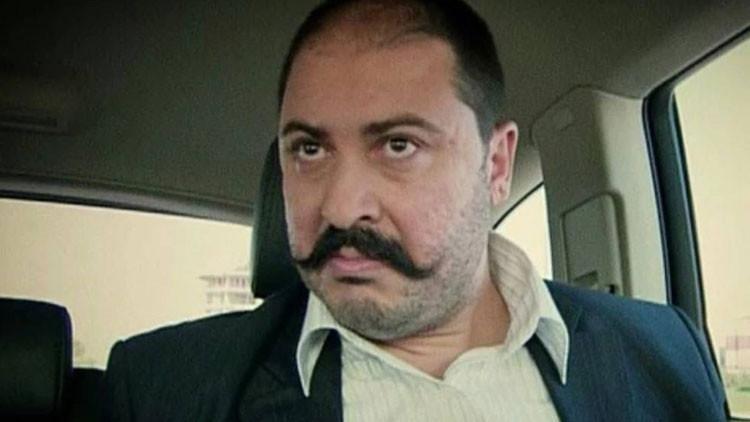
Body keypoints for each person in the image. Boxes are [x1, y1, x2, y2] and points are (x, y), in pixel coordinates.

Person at [103, 0, 726, 420]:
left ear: (496, 166)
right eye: (310, 149)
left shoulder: (665, 353)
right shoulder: (164, 389)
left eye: (398, 145)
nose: (341, 208)